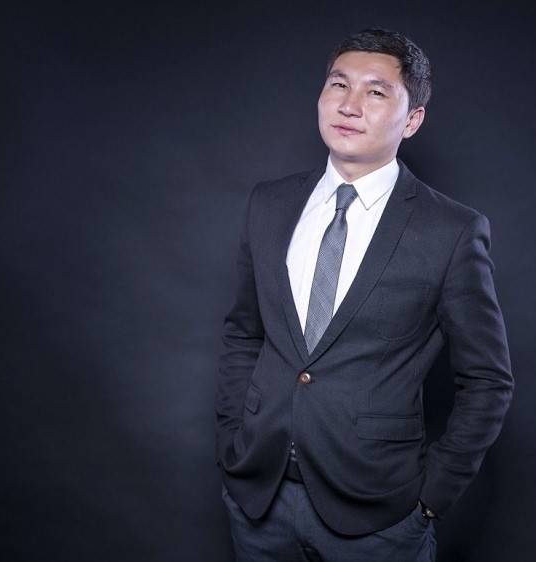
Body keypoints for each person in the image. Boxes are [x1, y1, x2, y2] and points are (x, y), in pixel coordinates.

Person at [215, 27, 513, 561]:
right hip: (258, 498)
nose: (349, 105)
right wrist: (232, 441)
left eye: (375, 92)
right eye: (339, 84)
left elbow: (488, 380)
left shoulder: (451, 231)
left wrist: (431, 498)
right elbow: (244, 334)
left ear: (412, 119)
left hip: (379, 513)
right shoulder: (269, 203)